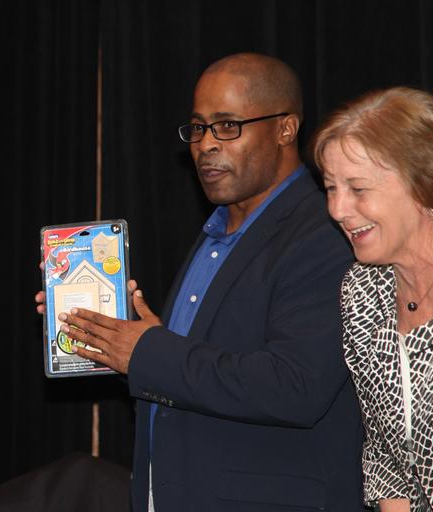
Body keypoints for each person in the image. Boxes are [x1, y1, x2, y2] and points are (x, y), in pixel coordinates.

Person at [37, 53, 364, 511]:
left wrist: (148, 351)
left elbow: (295, 386)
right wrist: (115, 337)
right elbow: (195, 371)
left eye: (227, 126)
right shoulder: (215, 234)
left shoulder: (323, 234)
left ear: (285, 129)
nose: (206, 144)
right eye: (197, 128)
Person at [313, 86, 433, 512]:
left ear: (424, 184)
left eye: (358, 188)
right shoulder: (362, 289)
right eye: (331, 188)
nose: (338, 209)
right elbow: (385, 457)